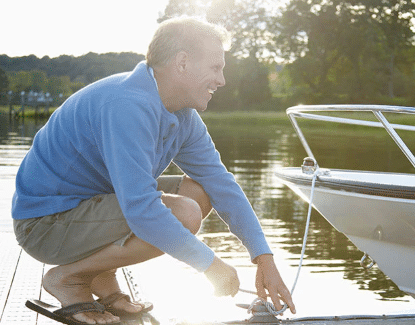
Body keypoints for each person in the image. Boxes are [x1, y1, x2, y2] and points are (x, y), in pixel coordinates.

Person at [12, 16, 295, 325]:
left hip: (88, 211)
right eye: (216, 68)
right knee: (184, 213)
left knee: (199, 192)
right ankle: (68, 278)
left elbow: (221, 185)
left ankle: (101, 279)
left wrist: (263, 257)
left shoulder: (182, 115)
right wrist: (210, 265)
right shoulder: (127, 105)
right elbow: (141, 209)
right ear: (182, 63)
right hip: (45, 225)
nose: (222, 80)